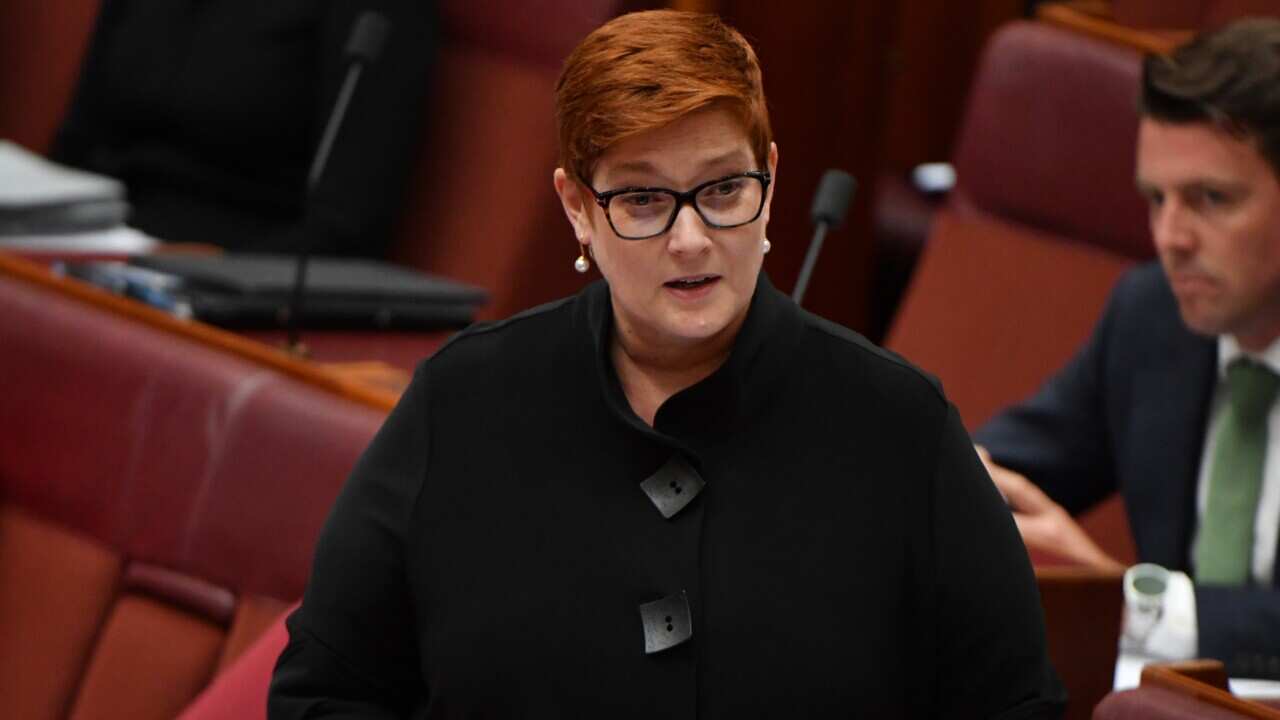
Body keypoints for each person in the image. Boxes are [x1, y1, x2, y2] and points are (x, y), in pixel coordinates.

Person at [269, 10, 1064, 717]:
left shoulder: (899, 428)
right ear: (577, 208)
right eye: (644, 201)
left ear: (772, 180)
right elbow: (322, 690)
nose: (690, 240)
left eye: (722, 190)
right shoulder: (467, 402)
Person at [975, 18, 1280, 678]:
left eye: (1210, 199)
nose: (1170, 237)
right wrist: (914, 475)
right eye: (1156, 198)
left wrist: (1139, 605)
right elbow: (1015, 467)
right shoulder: (1151, 318)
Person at [50, 0, 435, 256]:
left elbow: (345, 228)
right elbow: (76, 143)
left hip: (233, 275)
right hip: (96, 247)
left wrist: (198, 274)